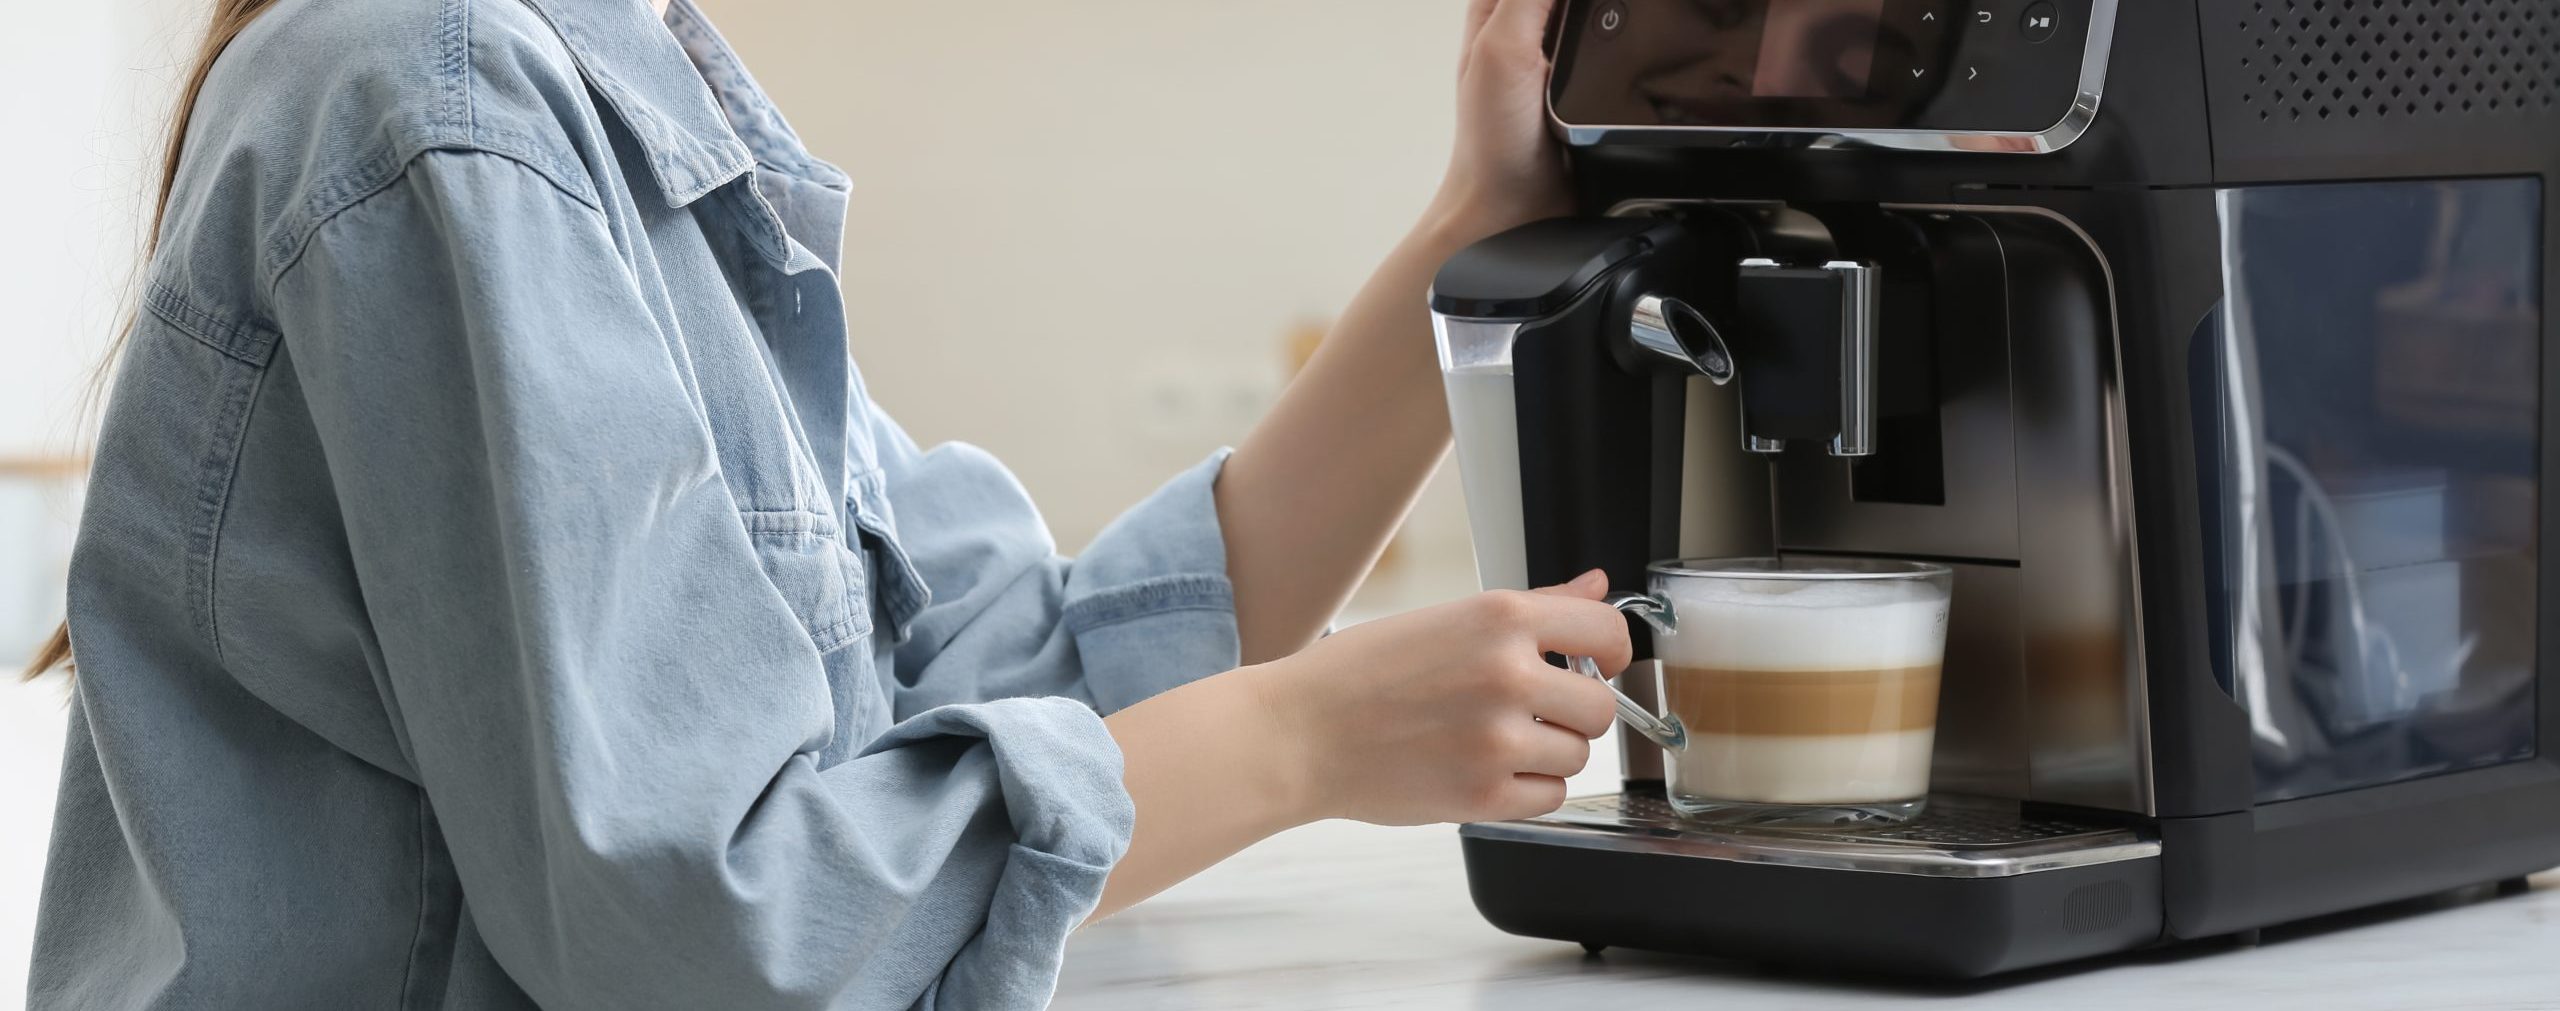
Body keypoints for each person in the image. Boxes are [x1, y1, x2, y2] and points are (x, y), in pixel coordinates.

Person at [23, 0, 1634, 1007]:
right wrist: (1305, 739)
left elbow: (1009, 674)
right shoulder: (435, 96)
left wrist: (1480, 217)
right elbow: (710, 944)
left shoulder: (624, 89)